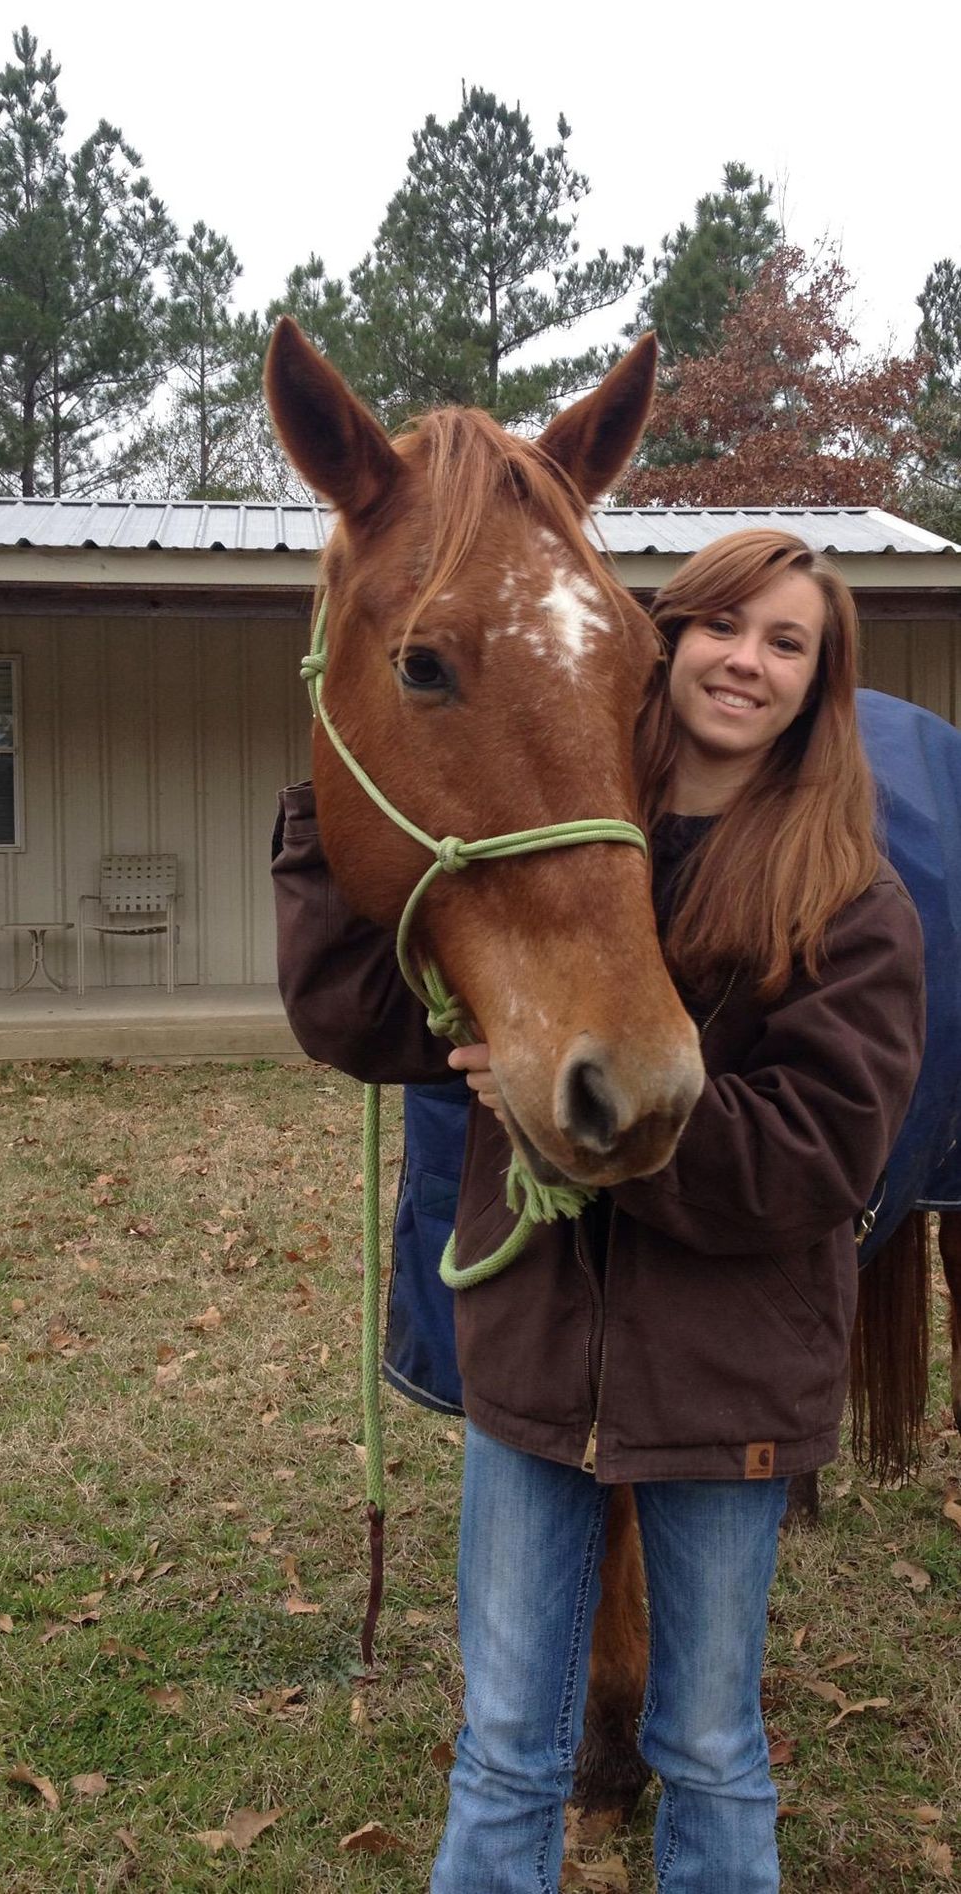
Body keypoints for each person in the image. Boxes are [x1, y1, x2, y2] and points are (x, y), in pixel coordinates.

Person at [271, 530, 925, 1894]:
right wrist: (344, 786)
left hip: (724, 1393)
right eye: (724, 626)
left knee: (709, 1745)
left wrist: (585, 1145)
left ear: (818, 681)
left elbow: (815, 1155)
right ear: (669, 638)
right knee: (505, 1747)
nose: (746, 660)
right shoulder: (545, 844)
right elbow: (364, 1015)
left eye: (787, 642)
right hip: (535, 1376)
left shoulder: (851, 898)